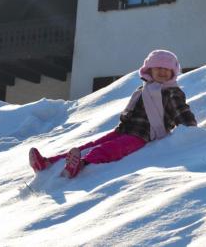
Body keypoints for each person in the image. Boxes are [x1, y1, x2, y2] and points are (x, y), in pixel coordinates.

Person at [29, 50, 197, 178]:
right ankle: (48, 162)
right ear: (149, 71)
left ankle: (81, 164)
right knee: (90, 145)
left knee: (110, 149)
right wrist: (123, 124)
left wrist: (190, 129)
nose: (162, 72)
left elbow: (181, 111)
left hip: (143, 135)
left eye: (166, 69)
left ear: (173, 73)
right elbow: (131, 111)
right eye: (158, 68)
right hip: (125, 129)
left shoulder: (172, 92)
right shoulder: (143, 90)